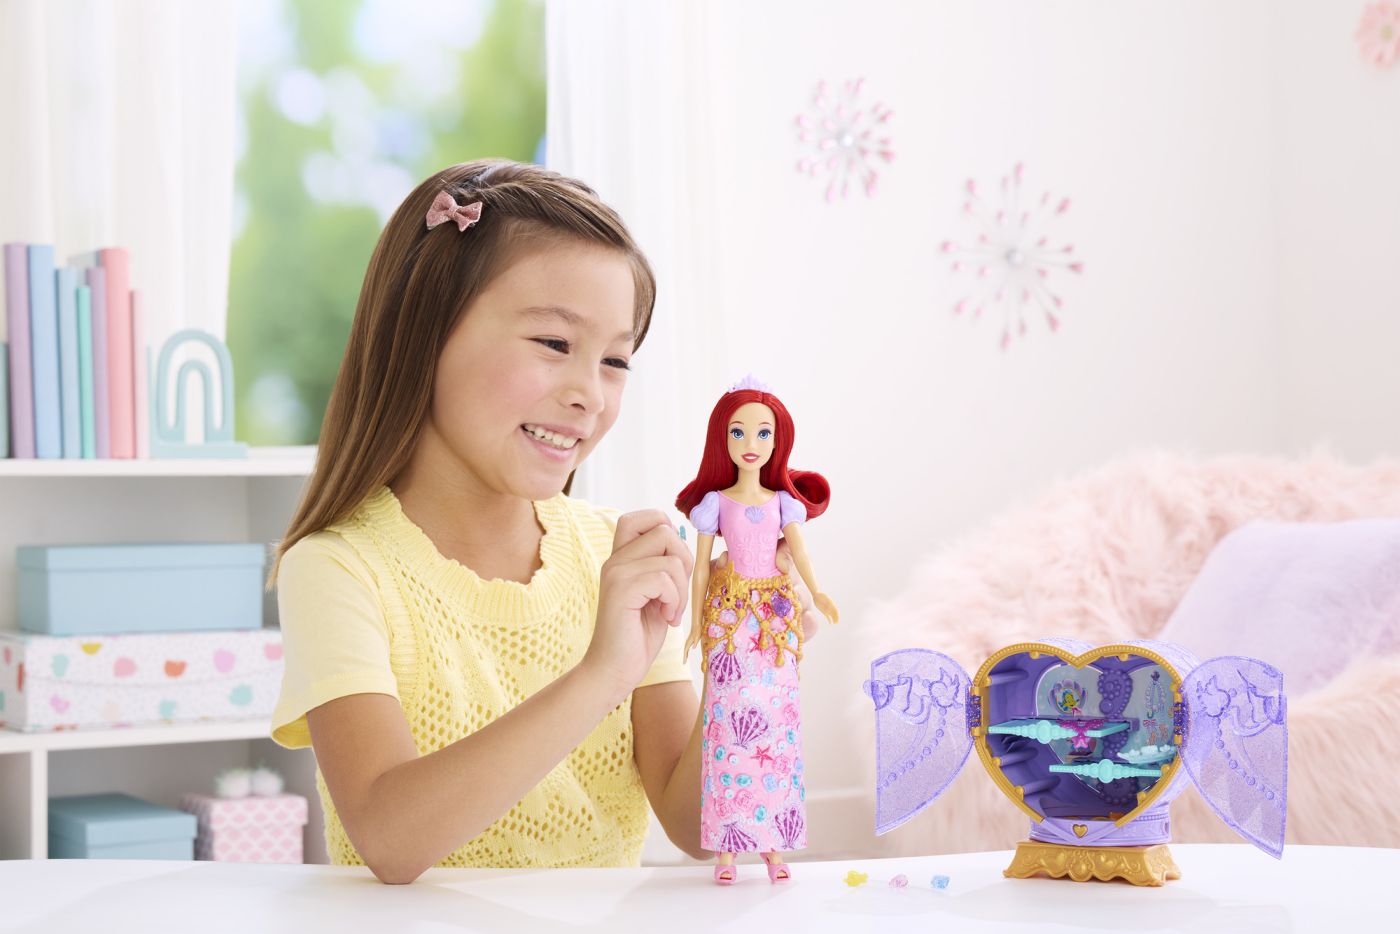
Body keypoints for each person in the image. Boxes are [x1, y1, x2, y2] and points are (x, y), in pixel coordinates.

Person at [268, 159, 702, 883]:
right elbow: (388, 837)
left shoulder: (615, 556)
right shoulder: (339, 569)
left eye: (616, 361)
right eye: (555, 344)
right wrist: (603, 674)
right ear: (427, 333)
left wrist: (751, 664)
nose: (590, 395)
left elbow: (701, 828)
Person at [675, 377, 840, 885]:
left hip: (773, 623)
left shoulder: (783, 502)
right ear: (722, 439)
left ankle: (773, 844)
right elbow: (700, 570)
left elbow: (800, 553)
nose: (751, 443)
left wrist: (819, 591)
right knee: (726, 731)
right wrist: (695, 623)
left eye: (763, 433)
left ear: (777, 440)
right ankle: (727, 848)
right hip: (729, 621)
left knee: (778, 729)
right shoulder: (715, 503)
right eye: (739, 432)